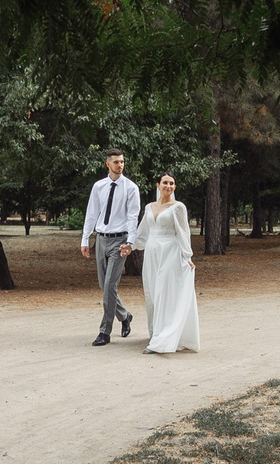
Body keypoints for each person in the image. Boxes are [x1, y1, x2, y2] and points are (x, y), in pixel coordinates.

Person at [79, 151, 140, 345]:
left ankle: (104, 331)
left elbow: (133, 217)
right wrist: (85, 239)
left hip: (120, 240)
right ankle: (124, 316)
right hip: (101, 239)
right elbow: (92, 213)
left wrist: (130, 242)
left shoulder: (131, 188)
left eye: (122, 161)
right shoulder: (99, 187)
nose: (120, 165)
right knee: (103, 284)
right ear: (108, 164)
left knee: (110, 285)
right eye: (116, 162)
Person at [138, 173, 200, 354]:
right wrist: (131, 245)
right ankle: (155, 333)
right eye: (165, 182)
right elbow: (143, 230)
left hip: (170, 252)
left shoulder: (178, 207)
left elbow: (183, 232)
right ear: (158, 185)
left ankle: (163, 340)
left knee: (164, 294)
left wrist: (187, 256)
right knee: (151, 293)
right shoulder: (149, 207)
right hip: (152, 253)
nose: (169, 186)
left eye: (172, 183)